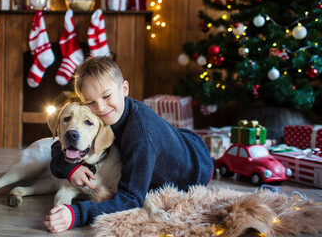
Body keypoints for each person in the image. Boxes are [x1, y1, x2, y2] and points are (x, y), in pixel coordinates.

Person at [43, 56, 214, 233]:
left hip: (196, 167)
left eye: (107, 96)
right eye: (90, 102)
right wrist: (69, 167)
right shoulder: (105, 118)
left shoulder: (140, 135)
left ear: (124, 89)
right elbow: (59, 141)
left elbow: (131, 199)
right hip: (179, 138)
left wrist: (76, 214)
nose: (101, 108)